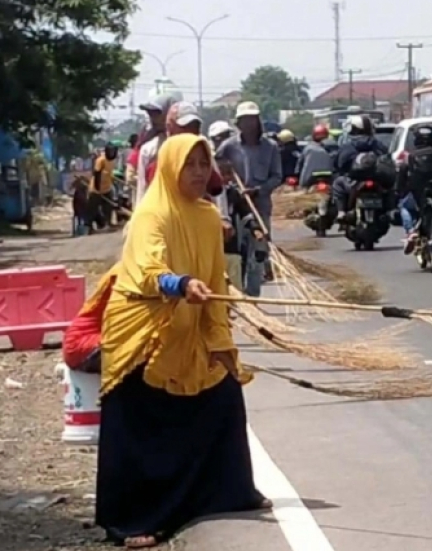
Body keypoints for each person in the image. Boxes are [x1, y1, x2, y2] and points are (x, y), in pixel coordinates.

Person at [95, 134, 270, 548]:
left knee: (222, 395)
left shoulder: (208, 217)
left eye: (202, 164)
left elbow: (212, 279)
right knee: (140, 425)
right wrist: (179, 283)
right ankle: (133, 520)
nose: (196, 172)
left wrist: (220, 340)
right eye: (188, 164)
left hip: (189, 325)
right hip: (143, 332)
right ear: (171, 167)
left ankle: (227, 491)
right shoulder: (151, 214)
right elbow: (145, 270)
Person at [215, 101, 282, 295]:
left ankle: (253, 297)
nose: (249, 124)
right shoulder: (228, 147)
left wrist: (259, 190)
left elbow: (277, 176)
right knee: (236, 253)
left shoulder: (270, 147)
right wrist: (231, 185)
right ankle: (237, 293)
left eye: (252, 119)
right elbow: (217, 170)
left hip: (259, 207)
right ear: (238, 123)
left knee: (258, 253)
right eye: (245, 120)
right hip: (235, 208)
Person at [331, 115, 390, 219]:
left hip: (354, 181)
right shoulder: (376, 143)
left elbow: (340, 164)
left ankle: (341, 212)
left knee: (337, 185)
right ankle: (391, 210)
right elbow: (387, 158)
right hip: (377, 180)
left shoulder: (348, 145)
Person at [396, 125, 432, 254]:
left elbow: (402, 174)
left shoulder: (409, 156)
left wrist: (399, 190)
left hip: (417, 194)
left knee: (404, 206)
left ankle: (411, 231)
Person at [135, 93, 178, 204]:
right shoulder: (148, 149)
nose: (152, 118)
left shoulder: (195, 145)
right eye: (150, 113)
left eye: (156, 113)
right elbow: (142, 188)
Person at [86, 142, 119, 233]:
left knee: (108, 207)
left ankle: (108, 223)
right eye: (110, 151)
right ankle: (89, 227)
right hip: (96, 189)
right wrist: (98, 189)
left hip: (107, 188)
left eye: (113, 151)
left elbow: (109, 173)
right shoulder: (100, 160)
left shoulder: (112, 161)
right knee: (92, 209)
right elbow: (97, 174)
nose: (112, 153)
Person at [298, 124, 335, 189]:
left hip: (308, 180)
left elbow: (300, 164)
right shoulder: (334, 147)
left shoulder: (308, 148)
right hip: (328, 180)